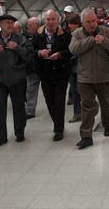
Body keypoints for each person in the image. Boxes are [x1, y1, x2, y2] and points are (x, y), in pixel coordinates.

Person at [69, 8, 109, 149]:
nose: (92, 24)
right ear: (82, 23)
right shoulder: (77, 34)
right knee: (87, 107)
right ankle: (86, 136)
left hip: (104, 77)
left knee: (106, 104)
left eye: (94, 21)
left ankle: (108, 125)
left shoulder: (106, 31)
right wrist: (91, 40)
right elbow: (73, 49)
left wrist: (104, 41)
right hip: (84, 78)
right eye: (88, 22)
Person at [0, 14, 33, 147]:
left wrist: (17, 48)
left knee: (18, 108)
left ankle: (19, 133)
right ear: (0, 25)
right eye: (7, 23)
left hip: (17, 79)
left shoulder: (20, 39)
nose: (10, 25)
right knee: (0, 108)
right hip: (0, 80)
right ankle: (1, 137)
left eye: (11, 22)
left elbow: (28, 56)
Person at [34, 10, 72, 142]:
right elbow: (31, 51)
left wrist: (60, 54)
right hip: (45, 73)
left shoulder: (66, 35)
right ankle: (57, 122)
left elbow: (71, 51)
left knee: (59, 101)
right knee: (49, 100)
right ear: (44, 20)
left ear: (58, 20)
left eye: (53, 19)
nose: (50, 22)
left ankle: (58, 129)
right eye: (48, 19)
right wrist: (39, 52)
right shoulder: (37, 35)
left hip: (61, 72)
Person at [66, 14, 83, 123]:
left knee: (83, 91)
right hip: (72, 67)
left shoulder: (83, 34)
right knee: (75, 91)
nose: (69, 26)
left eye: (72, 24)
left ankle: (87, 112)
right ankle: (77, 113)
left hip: (82, 67)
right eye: (69, 24)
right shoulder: (69, 35)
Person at [25, 17, 40, 119]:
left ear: (37, 25)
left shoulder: (41, 35)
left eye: (31, 25)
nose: (28, 27)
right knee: (30, 89)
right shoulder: (24, 37)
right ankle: (30, 111)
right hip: (32, 68)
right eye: (28, 25)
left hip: (43, 66)